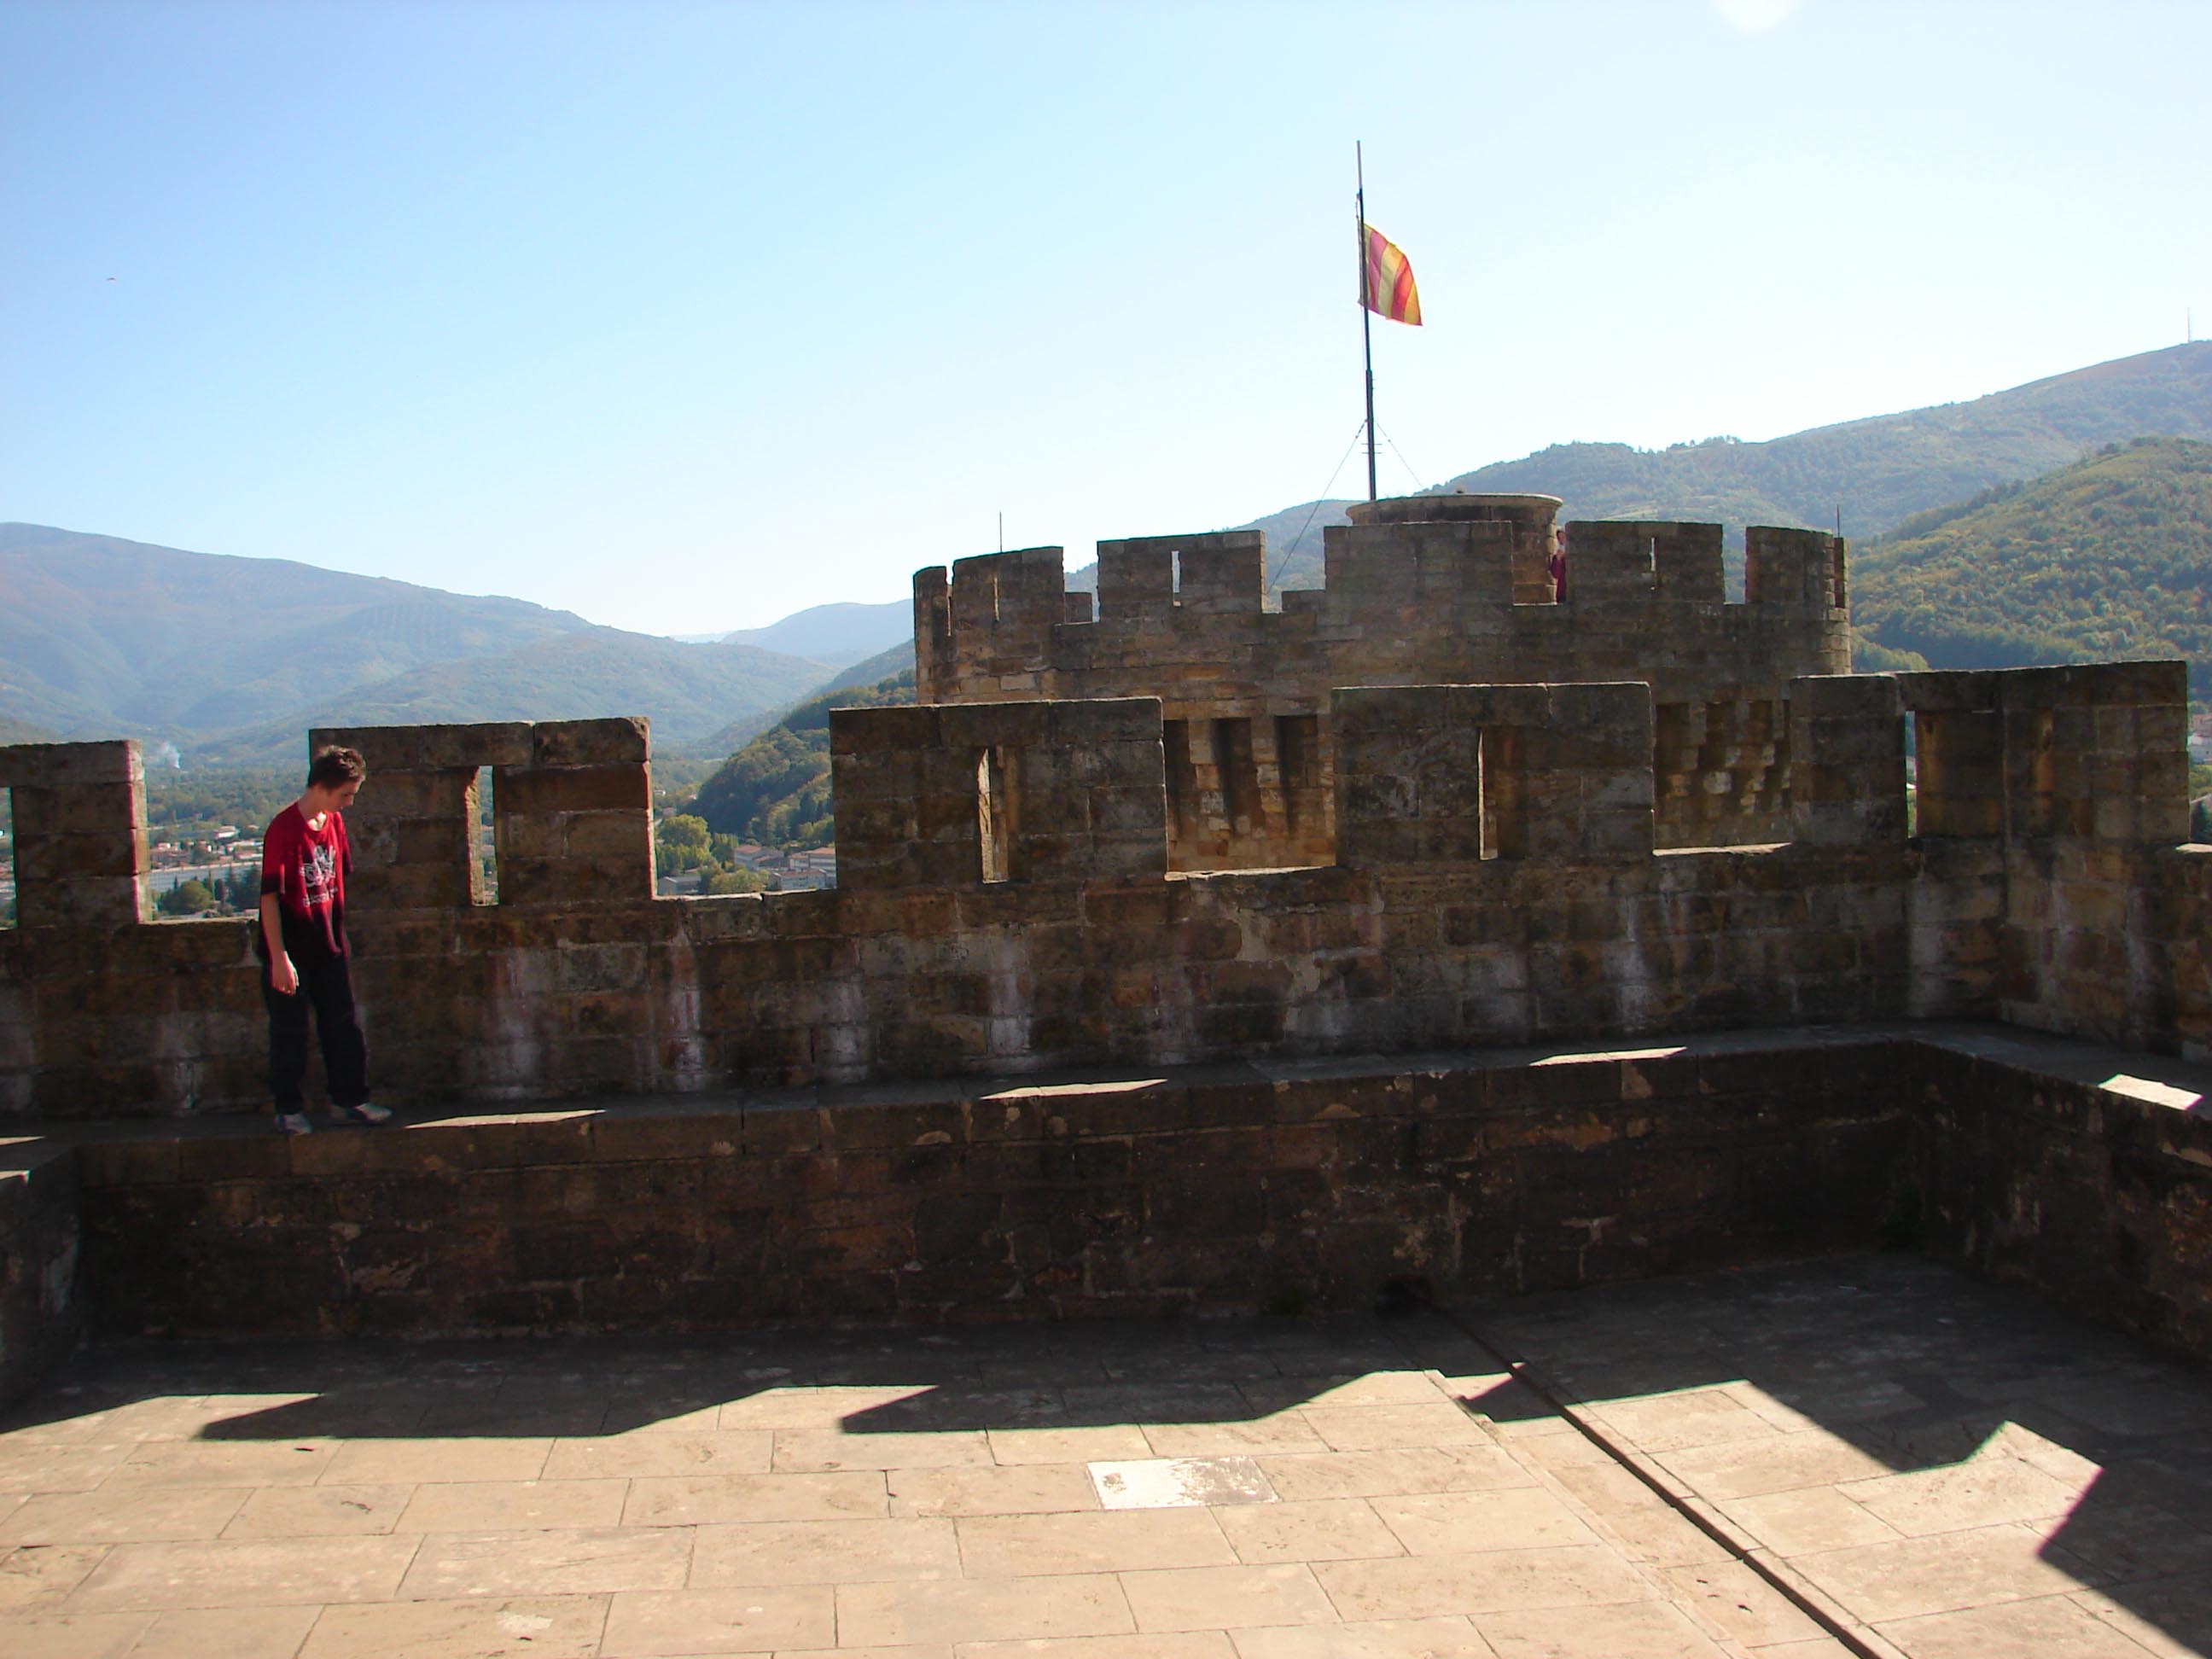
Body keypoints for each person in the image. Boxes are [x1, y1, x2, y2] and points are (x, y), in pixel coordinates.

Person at [258, 746, 390, 1135]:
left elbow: (335, 882)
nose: (349, 803)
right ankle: (288, 1109)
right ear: (322, 787)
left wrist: (339, 937)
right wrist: (279, 957)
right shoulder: (283, 829)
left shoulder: (332, 823)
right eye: (345, 794)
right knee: (290, 1032)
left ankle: (351, 1099)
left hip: (327, 946)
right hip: (292, 948)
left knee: (342, 1027)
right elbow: (269, 898)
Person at [1548, 527, 1569, 602]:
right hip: (1562, 593)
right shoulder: (1556, 557)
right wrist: (1558, 560)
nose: (1561, 541)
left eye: (1563, 537)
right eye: (1559, 538)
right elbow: (1556, 575)